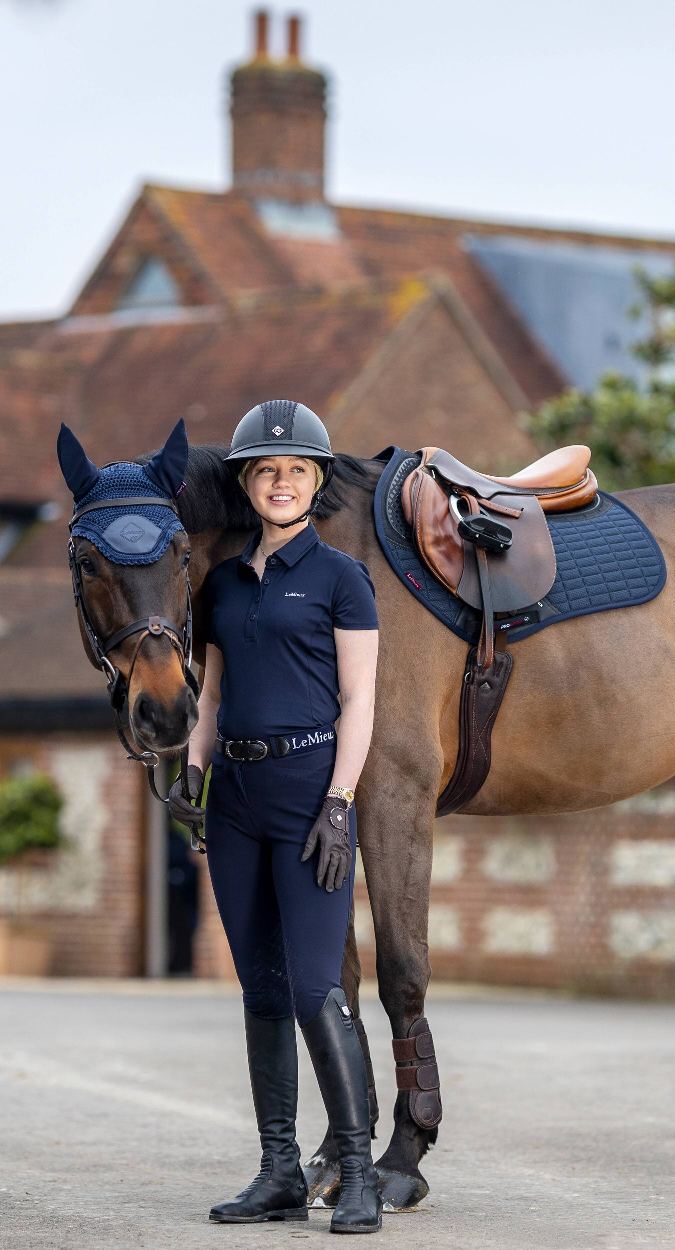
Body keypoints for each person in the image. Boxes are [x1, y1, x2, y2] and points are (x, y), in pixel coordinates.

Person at [168, 400, 382, 1234]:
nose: (280, 482)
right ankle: (278, 1170)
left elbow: (361, 698)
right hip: (237, 797)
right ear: (248, 484)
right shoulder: (220, 584)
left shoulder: (342, 579)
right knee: (259, 991)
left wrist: (341, 800)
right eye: (265, 471)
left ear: (316, 483)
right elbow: (213, 693)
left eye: (295, 470)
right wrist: (192, 767)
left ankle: (358, 1171)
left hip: (308, 792)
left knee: (315, 988)